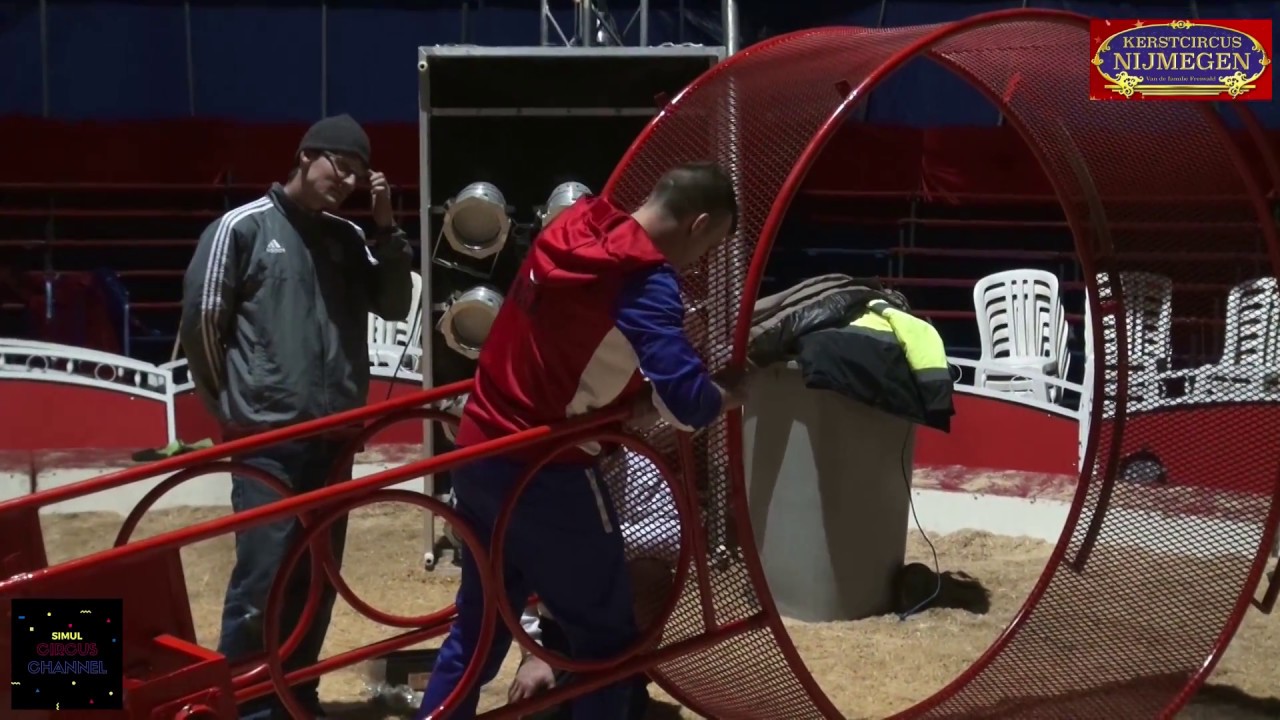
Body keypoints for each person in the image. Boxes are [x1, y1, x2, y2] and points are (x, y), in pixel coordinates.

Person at [418, 162, 746, 719]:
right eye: (710, 245)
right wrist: (738, 390)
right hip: (547, 470)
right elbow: (688, 405)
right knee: (608, 644)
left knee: (478, 627)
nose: (701, 262)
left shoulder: (575, 228)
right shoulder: (644, 278)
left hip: (481, 446)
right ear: (699, 224)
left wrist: (622, 401)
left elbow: (567, 346)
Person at [179, 113, 414, 720]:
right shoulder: (242, 228)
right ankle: (249, 705)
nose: (347, 179)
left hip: (333, 438)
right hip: (268, 440)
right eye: (339, 164)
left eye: (359, 173)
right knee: (264, 577)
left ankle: (296, 691)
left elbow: (392, 301)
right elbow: (204, 322)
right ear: (306, 155)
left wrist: (386, 229)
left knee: (317, 574)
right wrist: (233, 405)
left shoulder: (346, 237)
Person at [507, 450, 681, 720]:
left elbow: (674, 536)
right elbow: (518, 565)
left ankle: (632, 674)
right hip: (561, 627)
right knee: (538, 705)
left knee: (651, 571)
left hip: (625, 626)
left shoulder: (640, 467)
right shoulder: (548, 473)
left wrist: (601, 541)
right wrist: (534, 654)